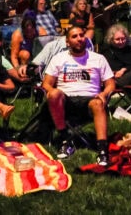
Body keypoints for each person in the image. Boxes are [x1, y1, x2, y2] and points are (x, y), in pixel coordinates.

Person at [41, 25, 115, 164]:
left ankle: (102, 150)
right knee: (54, 94)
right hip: (66, 99)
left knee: (98, 103)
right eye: (74, 36)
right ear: (67, 42)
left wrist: (104, 93)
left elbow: (110, 83)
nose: (79, 39)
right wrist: (53, 92)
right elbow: (46, 83)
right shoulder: (58, 58)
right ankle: (65, 139)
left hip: (90, 99)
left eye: (82, 35)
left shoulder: (98, 59)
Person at [104, 23, 131, 87]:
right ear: (111, 40)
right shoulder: (108, 52)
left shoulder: (128, 50)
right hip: (116, 80)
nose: (121, 41)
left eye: (123, 39)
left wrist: (124, 69)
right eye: (117, 39)